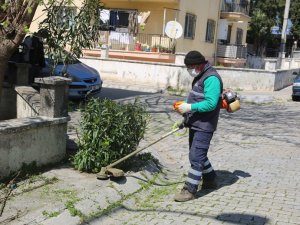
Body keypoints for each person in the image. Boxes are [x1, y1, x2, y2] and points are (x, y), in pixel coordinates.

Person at [173, 51, 223, 202]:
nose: (190, 70)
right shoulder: (200, 75)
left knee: (196, 157)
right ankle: (210, 179)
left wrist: (189, 107)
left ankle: (190, 190)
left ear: (200, 65)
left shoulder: (212, 78)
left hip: (205, 125)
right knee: (198, 155)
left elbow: (210, 103)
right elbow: (197, 98)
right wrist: (186, 112)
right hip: (196, 122)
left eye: (191, 67)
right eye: (188, 67)